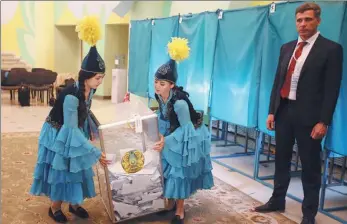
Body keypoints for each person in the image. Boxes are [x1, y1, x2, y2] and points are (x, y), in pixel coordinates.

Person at [254, 3, 343, 224]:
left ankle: (309, 214)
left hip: (310, 118)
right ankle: (277, 200)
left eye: (308, 20)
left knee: (310, 166)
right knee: (281, 159)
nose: (303, 24)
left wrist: (324, 121)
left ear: (318, 21)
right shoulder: (287, 47)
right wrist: (271, 111)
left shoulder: (331, 49)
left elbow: (332, 89)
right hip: (284, 111)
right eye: (299, 20)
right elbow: (278, 82)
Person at [30, 16, 110, 223]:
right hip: (59, 133)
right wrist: (95, 151)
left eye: (102, 77)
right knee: (62, 169)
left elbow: (86, 113)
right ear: (86, 75)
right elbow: (70, 131)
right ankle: (54, 208)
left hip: (74, 127)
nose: (100, 82)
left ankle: (74, 203)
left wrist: (99, 129)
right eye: (98, 78)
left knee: (79, 167)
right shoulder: (71, 95)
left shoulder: (88, 89)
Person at [153, 37, 214, 224]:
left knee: (179, 171)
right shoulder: (161, 96)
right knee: (165, 168)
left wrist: (166, 141)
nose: (157, 86)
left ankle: (180, 210)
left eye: (162, 84)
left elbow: (186, 129)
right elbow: (163, 116)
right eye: (155, 82)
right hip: (175, 131)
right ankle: (170, 203)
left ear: (172, 85)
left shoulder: (179, 103)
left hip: (189, 134)